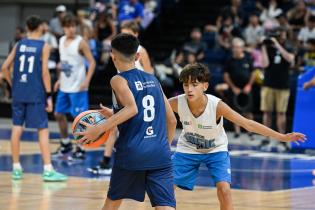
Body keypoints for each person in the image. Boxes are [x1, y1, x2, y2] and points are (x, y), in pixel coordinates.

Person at [168, 63, 306, 210]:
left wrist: (282, 137)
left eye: (194, 84)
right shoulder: (175, 103)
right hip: (188, 148)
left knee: (224, 190)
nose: (189, 89)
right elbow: (153, 114)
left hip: (215, 149)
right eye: (186, 85)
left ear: (205, 86)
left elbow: (248, 124)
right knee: (166, 186)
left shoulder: (217, 106)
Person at [76, 33, 177, 210]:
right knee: (165, 207)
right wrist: (164, 147)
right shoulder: (154, 80)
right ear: (138, 56)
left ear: (112, 56)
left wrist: (98, 129)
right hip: (160, 154)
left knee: (112, 204)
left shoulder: (118, 79)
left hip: (132, 153)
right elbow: (172, 120)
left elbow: (132, 108)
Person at [1, 15, 67, 181]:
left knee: (17, 128)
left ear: (27, 28)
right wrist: (49, 96)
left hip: (19, 92)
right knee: (43, 130)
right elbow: (45, 72)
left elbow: (4, 67)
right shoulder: (43, 46)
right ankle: (48, 169)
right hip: (35, 93)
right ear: (40, 28)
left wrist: (12, 84)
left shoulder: (19, 44)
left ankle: (16, 168)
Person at [88, 21, 154, 175]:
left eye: (128, 33)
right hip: (122, 89)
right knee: (114, 127)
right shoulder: (118, 51)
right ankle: (105, 162)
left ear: (136, 34)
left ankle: (139, 163)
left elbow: (149, 73)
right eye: (122, 33)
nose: (124, 36)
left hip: (138, 91)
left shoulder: (141, 51)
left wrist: (148, 92)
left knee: (133, 128)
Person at [53, 14, 96, 160]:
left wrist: (87, 81)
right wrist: (59, 79)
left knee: (78, 118)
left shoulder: (81, 42)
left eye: (73, 26)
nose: (71, 29)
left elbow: (92, 63)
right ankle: (65, 144)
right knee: (58, 114)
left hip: (78, 86)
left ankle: (81, 147)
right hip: (64, 85)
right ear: (63, 27)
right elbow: (64, 62)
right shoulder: (61, 40)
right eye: (68, 26)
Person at [260, 27, 295, 152]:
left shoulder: (288, 46)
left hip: (283, 85)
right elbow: (264, 64)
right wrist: (263, 47)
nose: (282, 37)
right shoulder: (267, 47)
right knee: (267, 112)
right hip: (268, 84)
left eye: (282, 35)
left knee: (281, 113)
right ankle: (266, 137)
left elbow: (290, 59)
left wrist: (277, 45)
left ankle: (282, 139)